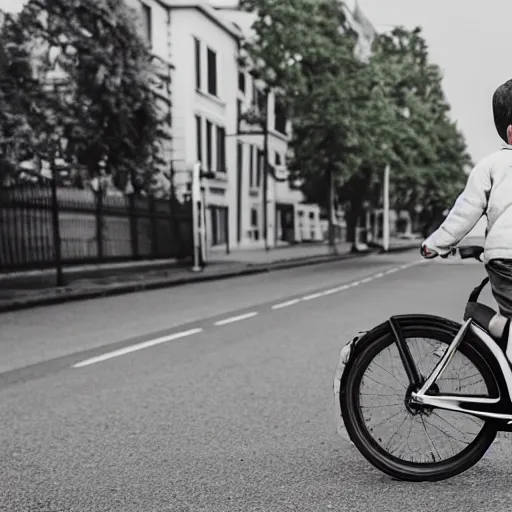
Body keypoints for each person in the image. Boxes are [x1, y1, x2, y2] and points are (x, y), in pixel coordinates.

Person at [422, 79, 512, 319]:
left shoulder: (490, 165)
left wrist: (437, 243)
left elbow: (465, 209)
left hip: (502, 258)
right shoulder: (496, 165)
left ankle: (494, 335)